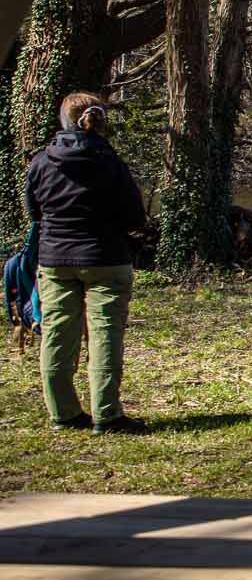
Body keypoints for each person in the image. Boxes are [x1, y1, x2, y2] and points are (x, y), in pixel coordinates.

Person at [25, 92, 148, 434]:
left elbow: (34, 212)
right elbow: (134, 215)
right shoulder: (109, 161)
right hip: (106, 257)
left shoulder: (42, 161)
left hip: (55, 258)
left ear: (64, 120)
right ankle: (107, 415)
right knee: (105, 335)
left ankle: (63, 413)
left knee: (57, 336)